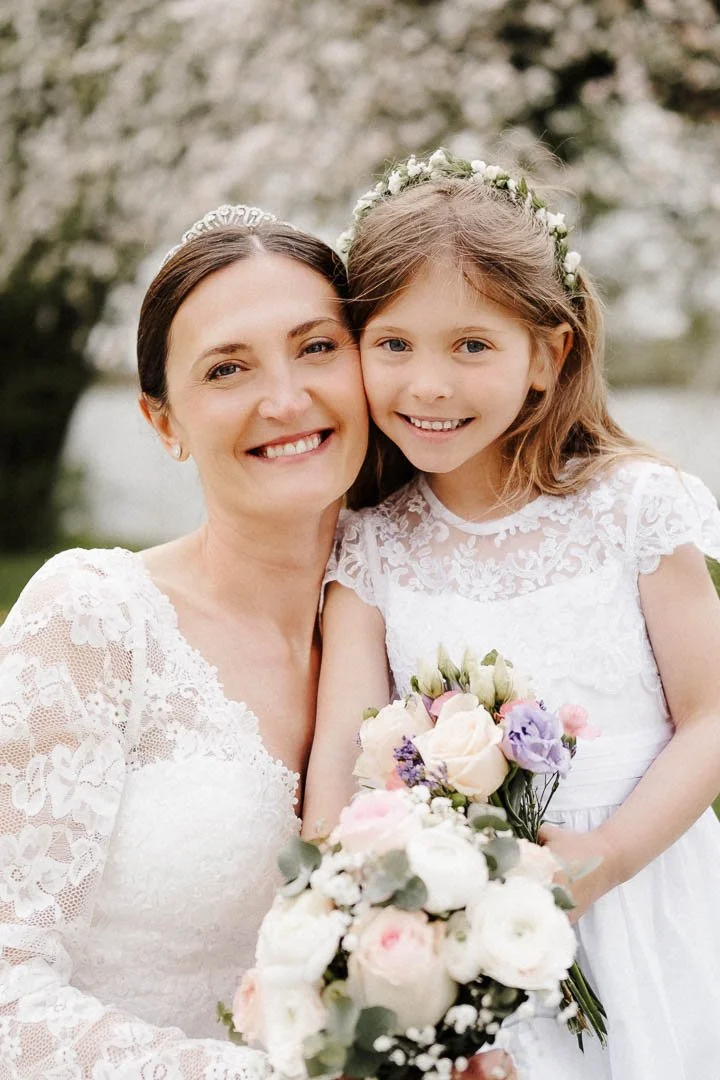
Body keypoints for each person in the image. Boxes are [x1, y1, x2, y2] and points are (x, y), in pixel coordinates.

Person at [0, 200, 517, 1080]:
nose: (285, 399)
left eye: (317, 348)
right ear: (164, 422)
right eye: (228, 369)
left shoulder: (438, 633)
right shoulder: (95, 620)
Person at [305, 150, 720, 1079]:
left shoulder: (634, 509)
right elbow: (341, 750)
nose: (429, 384)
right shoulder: (371, 545)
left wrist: (608, 854)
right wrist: (339, 913)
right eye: (394, 344)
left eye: (472, 346)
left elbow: (711, 717)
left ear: (547, 354)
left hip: (648, 898)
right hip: (467, 929)